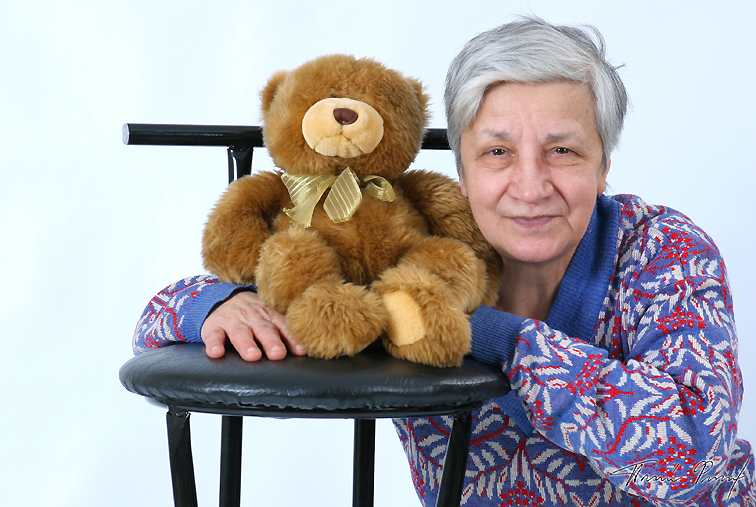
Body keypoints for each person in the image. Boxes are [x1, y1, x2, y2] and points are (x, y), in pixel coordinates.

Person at [133, 17, 754, 506]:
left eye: (563, 151)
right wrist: (221, 303)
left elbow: (691, 457)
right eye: (497, 153)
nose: (530, 186)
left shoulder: (664, 251)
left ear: (603, 166)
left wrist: (494, 337)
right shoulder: (407, 254)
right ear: (461, 173)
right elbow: (156, 319)